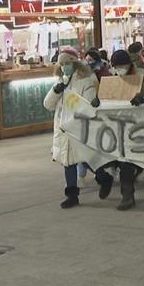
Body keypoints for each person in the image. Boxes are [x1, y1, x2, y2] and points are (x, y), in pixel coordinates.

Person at [43, 48, 112, 209]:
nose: (65, 66)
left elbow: (87, 103)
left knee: (85, 158)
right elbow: (48, 105)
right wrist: (56, 90)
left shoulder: (85, 80)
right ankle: (72, 195)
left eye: (68, 63)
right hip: (63, 128)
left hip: (79, 127)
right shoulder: (60, 81)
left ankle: (103, 178)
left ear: (75, 63)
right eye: (62, 64)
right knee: (68, 162)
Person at [107, 50, 144, 210]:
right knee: (124, 162)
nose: (120, 69)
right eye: (116, 66)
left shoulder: (142, 75)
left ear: (129, 64)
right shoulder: (112, 79)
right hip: (122, 126)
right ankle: (127, 196)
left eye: (122, 65)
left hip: (141, 125)